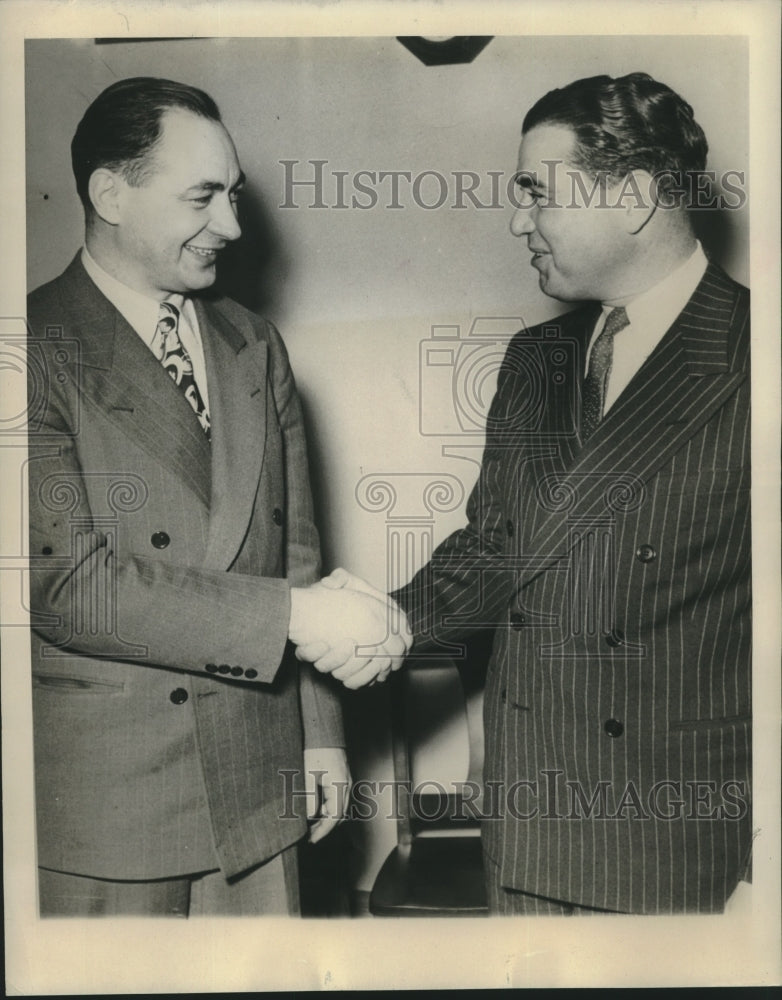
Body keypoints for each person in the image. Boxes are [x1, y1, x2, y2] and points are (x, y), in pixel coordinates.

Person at [311, 72, 752, 915]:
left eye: (536, 193)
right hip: (528, 830)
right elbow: (497, 551)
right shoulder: (536, 359)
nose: (518, 220)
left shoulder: (753, 356)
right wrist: (387, 626)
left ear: (631, 197)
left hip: (682, 849)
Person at [26, 76, 410, 917]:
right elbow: (67, 585)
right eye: (203, 196)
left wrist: (320, 738)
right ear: (110, 193)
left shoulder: (252, 343)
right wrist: (298, 621)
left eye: (233, 197)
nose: (232, 227)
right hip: (109, 810)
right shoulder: (32, 350)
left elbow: (296, 551)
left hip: (259, 782)